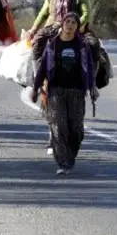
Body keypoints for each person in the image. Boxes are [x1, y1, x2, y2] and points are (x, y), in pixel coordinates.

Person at [30, 12, 98, 175]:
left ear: (77, 26)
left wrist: (92, 87)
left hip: (76, 92)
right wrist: (35, 88)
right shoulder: (52, 46)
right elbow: (43, 68)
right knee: (59, 127)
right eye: (67, 22)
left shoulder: (82, 46)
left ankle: (70, 155)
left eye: (74, 22)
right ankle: (64, 163)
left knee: (76, 130)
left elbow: (88, 68)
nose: (70, 25)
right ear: (62, 25)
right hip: (56, 91)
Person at [25, 0, 101, 79]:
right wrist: (33, 29)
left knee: (94, 45)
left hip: (75, 27)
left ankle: (91, 80)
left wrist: (78, 25)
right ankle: (38, 76)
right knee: (37, 42)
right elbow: (43, 13)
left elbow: (86, 13)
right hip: (53, 26)